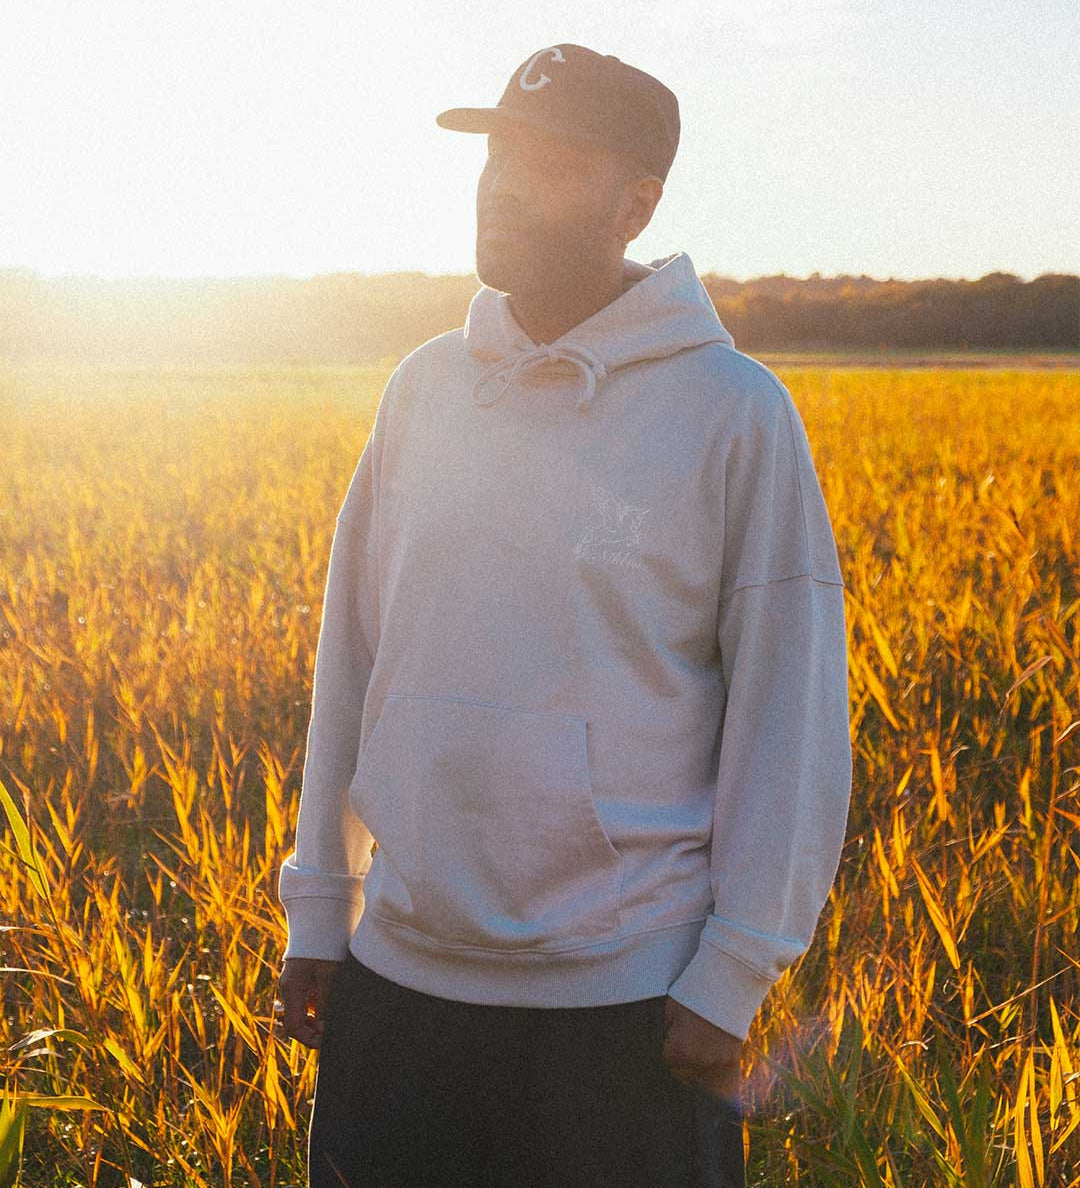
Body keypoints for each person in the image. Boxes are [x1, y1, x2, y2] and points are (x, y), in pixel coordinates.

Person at [274, 42, 852, 1188]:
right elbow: (353, 663)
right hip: (397, 987)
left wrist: (734, 972)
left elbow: (791, 709)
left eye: (546, 163)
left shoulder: (732, 414)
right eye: (495, 157)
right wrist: (322, 909)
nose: (501, 185)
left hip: (627, 1010)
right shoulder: (425, 390)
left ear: (635, 204)